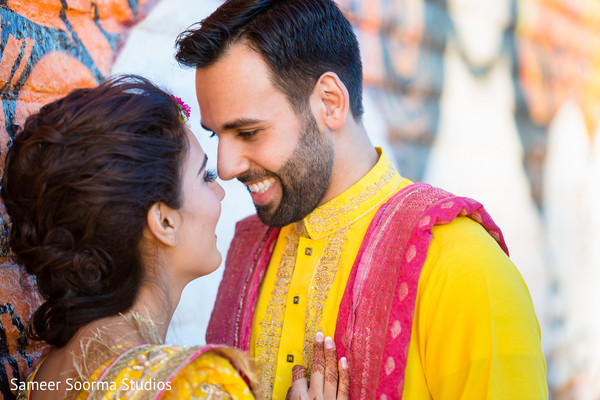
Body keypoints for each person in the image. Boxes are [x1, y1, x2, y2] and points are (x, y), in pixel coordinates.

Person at [174, 0, 549, 399]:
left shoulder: (461, 264)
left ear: (330, 103)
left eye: (248, 133)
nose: (226, 167)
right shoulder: (247, 252)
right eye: (216, 135)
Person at [1, 75, 349, 399]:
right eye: (205, 176)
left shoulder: (43, 377)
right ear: (164, 222)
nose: (221, 191)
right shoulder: (191, 383)